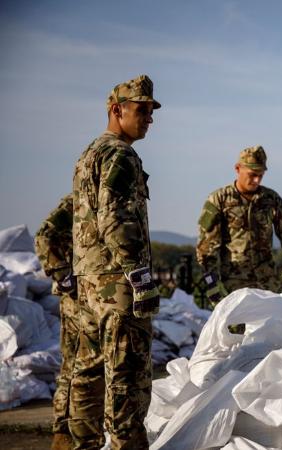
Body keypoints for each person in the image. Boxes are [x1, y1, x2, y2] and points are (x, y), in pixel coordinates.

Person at [70, 74, 161, 449]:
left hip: (90, 281)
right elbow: (115, 220)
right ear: (116, 110)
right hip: (117, 284)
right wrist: (140, 277)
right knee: (127, 374)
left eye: (151, 111)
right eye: (141, 110)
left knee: (88, 372)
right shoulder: (120, 154)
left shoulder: (90, 152)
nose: (149, 118)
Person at [196, 145, 282, 305]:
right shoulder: (219, 200)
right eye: (252, 174)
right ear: (238, 168)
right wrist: (211, 282)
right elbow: (206, 248)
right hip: (233, 287)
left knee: (270, 329)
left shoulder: (271, 200)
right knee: (235, 330)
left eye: (260, 175)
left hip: (268, 285)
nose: (256, 180)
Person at [34, 194, 79, 450]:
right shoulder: (75, 203)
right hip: (75, 301)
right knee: (72, 366)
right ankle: (62, 429)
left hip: (91, 297)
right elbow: (44, 236)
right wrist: (63, 274)